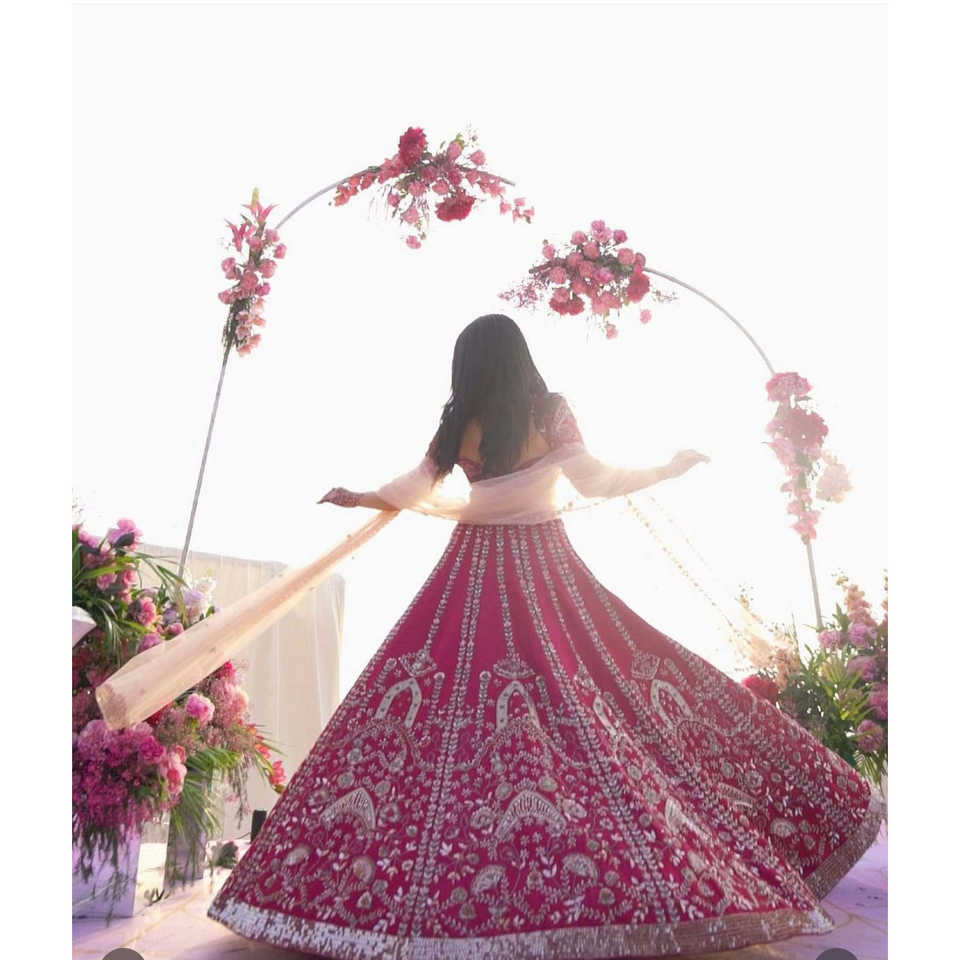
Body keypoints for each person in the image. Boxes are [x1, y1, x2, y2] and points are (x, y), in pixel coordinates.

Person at [207, 314, 882, 958]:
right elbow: (595, 480)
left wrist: (359, 496)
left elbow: (412, 486)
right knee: (616, 698)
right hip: (547, 570)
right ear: (520, 357)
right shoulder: (550, 412)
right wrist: (666, 468)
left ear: (468, 366)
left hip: (472, 572)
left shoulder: (460, 423)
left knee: (435, 719)